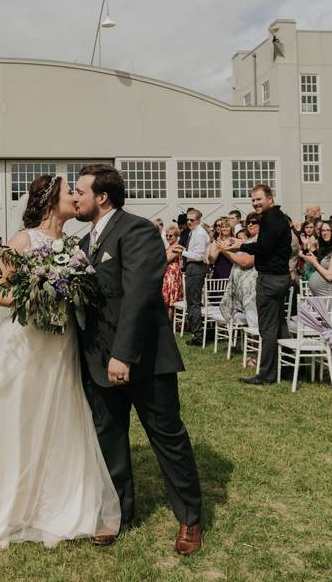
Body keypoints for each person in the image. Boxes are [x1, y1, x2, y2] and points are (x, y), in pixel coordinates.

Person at [0, 173, 121, 550]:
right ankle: (13, 493)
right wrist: (39, 294)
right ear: (48, 200)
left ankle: (59, 492)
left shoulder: (73, 245)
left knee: (60, 413)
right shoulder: (22, 240)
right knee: (21, 413)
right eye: (67, 193)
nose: (75, 197)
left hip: (61, 344)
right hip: (28, 343)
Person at [73, 164, 202, 555]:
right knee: (109, 438)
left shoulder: (138, 230)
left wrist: (122, 355)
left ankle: (190, 519)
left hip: (143, 359)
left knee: (167, 438)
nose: (74, 198)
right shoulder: (83, 245)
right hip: (97, 359)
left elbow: (141, 295)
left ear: (102, 197)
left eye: (79, 191)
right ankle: (117, 512)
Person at [233, 184, 292, 385]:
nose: (256, 203)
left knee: (267, 328)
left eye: (259, 199)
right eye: (253, 200)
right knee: (279, 325)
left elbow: (263, 247)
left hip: (270, 279)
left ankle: (266, 374)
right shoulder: (281, 217)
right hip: (282, 277)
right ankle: (287, 368)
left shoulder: (270, 217)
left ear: (270, 198)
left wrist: (240, 245)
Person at [215, 213, 260, 339]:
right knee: (251, 320)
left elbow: (245, 262)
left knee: (254, 321)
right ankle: (252, 348)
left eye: (254, 222)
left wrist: (225, 251)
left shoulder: (259, 240)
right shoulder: (250, 239)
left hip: (252, 289)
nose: (250, 224)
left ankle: (257, 352)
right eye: (248, 222)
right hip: (243, 289)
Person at [301, 220, 332, 320]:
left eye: (328, 230)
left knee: (331, 329)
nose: (324, 233)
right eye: (322, 230)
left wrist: (315, 262)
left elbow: (330, 276)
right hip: (323, 298)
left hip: (331, 298)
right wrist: (314, 259)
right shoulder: (329, 248)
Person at [181, 208, 210, 347]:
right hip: (192, 267)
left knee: (194, 303)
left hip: (196, 267)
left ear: (198, 220)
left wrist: (183, 252)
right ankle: (195, 332)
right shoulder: (194, 232)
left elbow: (199, 256)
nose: (189, 222)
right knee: (192, 302)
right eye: (187, 219)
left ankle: (198, 336)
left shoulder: (199, 234)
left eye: (192, 220)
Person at [162, 226, 184, 320]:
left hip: (173, 273)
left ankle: (169, 322)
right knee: (166, 297)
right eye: (166, 235)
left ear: (176, 236)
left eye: (170, 236)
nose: (168, 238)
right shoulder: (169, 246)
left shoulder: (177, 246)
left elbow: (166, 259)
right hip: (167, 272)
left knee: (171, 299)